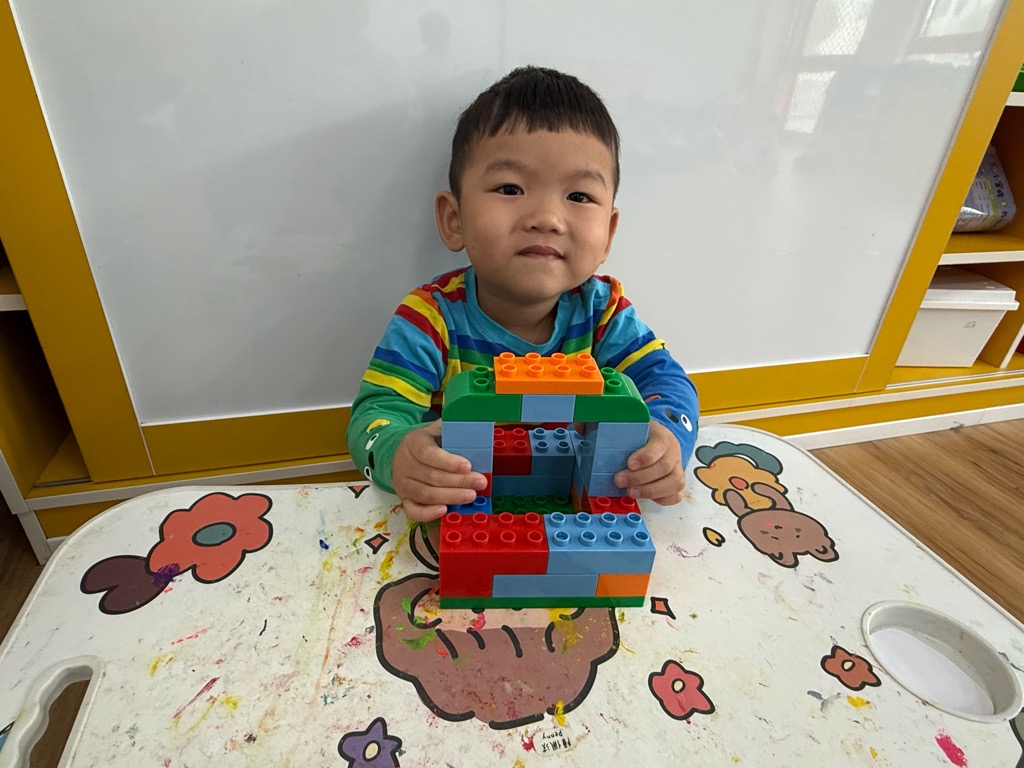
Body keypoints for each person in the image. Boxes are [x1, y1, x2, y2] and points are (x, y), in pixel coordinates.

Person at [347, 65, 698, 522]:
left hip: (575, 519)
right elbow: (376, 415)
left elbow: (667, 383)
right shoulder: (430, 319)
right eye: (510, 188)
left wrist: (667, 441)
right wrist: (399, 455)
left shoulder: (603, 313)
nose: (546, 218)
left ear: (608, 235)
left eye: (578, 196)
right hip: (460, 514)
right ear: (454, 219)